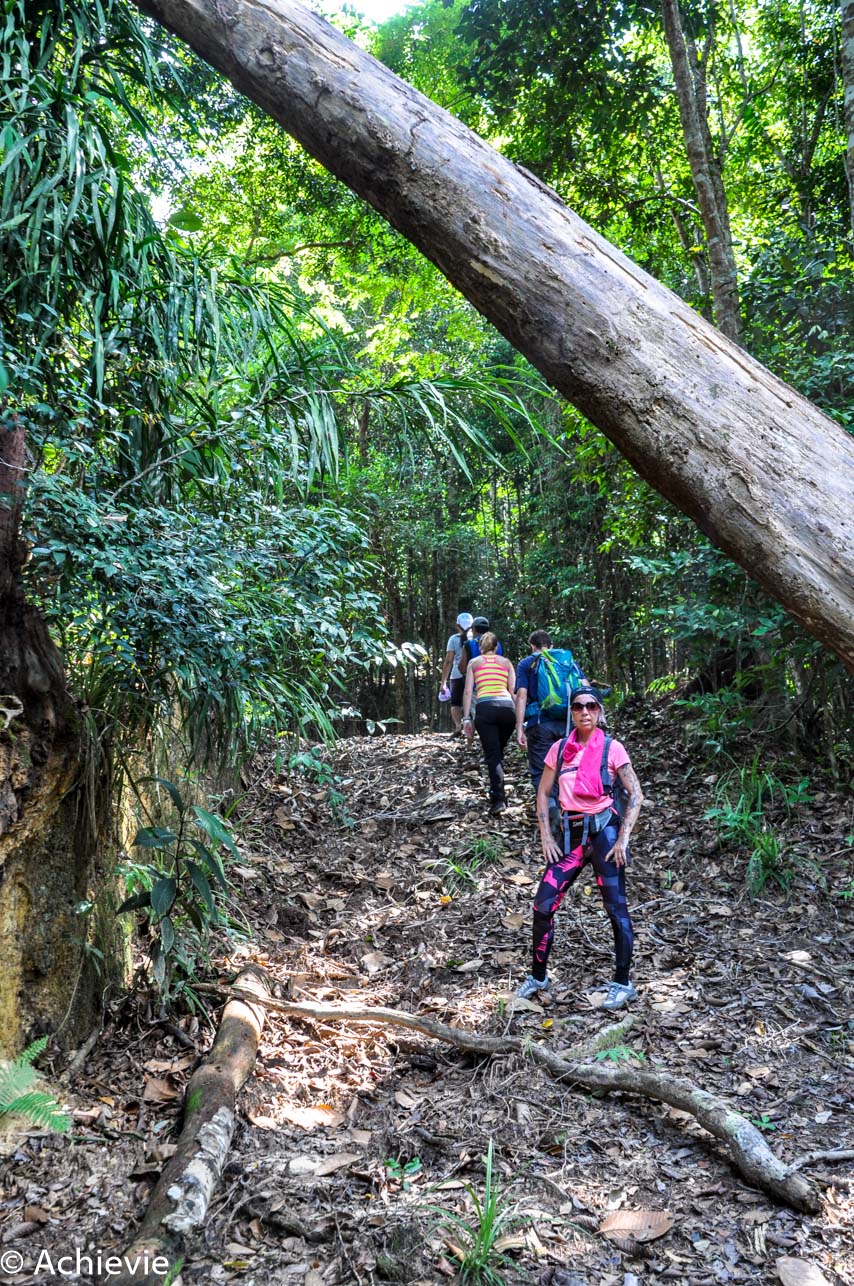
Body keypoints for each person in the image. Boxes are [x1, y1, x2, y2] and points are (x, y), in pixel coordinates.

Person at [517, 685, 644, 1011]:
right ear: (571, 712)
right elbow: (543, 792)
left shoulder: (613, 748)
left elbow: (635, 793)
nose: (585, 711)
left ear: (599, 711)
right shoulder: (560, 749)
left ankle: (623, 983)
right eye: (578, 706)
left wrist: (623, 839)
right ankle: (538, 976)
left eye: (591, 706)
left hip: (605, 835)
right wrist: (546, 836)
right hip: (570, 837)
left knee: (616, 908)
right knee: (543, 906)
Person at [461, 632, 516, 815]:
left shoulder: (474, 663)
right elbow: (513, 691)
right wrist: (521, 718)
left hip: (486, 708)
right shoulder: (506, 663)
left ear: (480, 648)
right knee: (497, 752)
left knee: (493, 755)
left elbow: (468, 691)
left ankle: (498, 799)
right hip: (507, 709)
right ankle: (497, 790)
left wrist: (466, 717)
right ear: (496, 647)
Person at [439, 612, 473, 735]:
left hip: (457, 674)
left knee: (456, 702)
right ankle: (471, 726)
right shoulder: (477, 639)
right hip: (474, 675)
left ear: (457, 625)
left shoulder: (453, 639)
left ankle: (458, 726)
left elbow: (448, 661)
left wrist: (443, 682)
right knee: (473, 701)